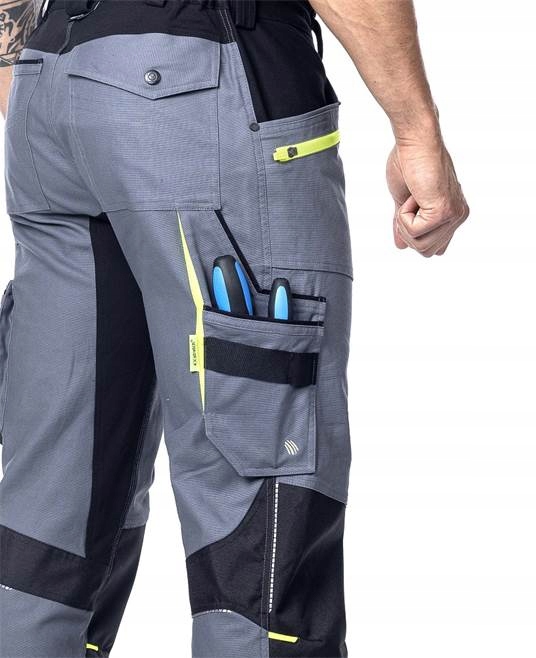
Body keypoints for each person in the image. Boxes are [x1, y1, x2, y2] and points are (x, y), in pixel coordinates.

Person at [0, 1, 469, 657]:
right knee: (262, 506)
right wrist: (417, 132)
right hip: (201, 80)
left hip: (46, 87)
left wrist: (41, 91)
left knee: (50, 508)